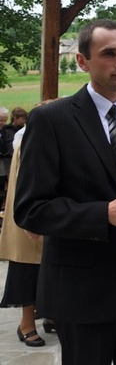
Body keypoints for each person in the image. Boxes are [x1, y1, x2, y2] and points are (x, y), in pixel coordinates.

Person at [14, 19, 116, 365]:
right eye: (109, 53)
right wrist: (104, 214)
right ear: (83, 61)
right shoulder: (51, 120)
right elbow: (30, 209)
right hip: (79, 288)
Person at [0, 103, 52, 348]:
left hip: (52, 218)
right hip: (28, 219)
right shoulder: (28, 143)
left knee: (50, 272)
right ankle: (26, 323)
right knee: (27, 271)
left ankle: (52, 314)